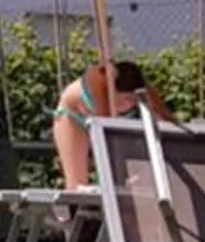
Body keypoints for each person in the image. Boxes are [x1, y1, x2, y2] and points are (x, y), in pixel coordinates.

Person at [51, 56, 171, 189]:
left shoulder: (143, 91)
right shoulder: (98, 88)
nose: (128, 104)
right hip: (71, 115)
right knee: (76, 183)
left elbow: (164, 124)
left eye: (133, 101)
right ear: (112, 89)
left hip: (98, 113)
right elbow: (108, 143)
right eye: (125, 98)